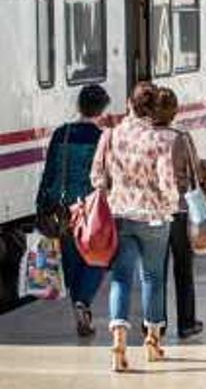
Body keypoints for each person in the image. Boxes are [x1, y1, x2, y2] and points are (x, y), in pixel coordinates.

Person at [91, 82, 179, 372]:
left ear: (129, 103)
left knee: (121, 279)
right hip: (154, 219)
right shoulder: (160, 139)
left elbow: (97, 177)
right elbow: (168, 183)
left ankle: (118, 345)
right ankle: (152, 344)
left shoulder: (111, 135)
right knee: (153, 279)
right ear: (153, 108)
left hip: (119, 217)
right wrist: (172, 205)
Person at [35, 85, 110, 337]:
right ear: (102, 109)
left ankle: (80, 306)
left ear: (79, 106)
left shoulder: (61, 134)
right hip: (90, 208)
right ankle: (83, 302)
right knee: (97, 255)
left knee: (71, 261)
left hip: (62, 207)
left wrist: (41, 204)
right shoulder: (103, 137)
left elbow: (50, 172)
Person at [151, 88, 204, 340]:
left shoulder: (144, 137)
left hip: (151, 213)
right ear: (175, 111)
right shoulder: (181, 137)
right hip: (180, 211)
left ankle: (156, 324)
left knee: (155, 271)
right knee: (183, 270)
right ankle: (187, 323)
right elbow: (195, 176)